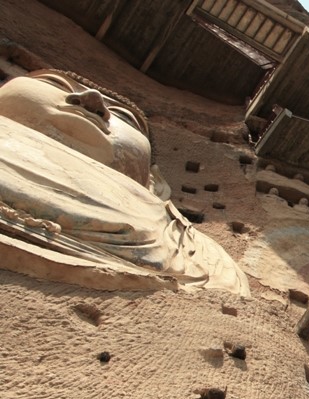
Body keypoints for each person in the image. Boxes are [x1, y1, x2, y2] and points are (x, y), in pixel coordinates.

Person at [0, 69, 249, 295]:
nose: (92, 100)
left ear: (154, 182)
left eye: (124, 118)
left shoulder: (197, 254)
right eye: (54, 83)